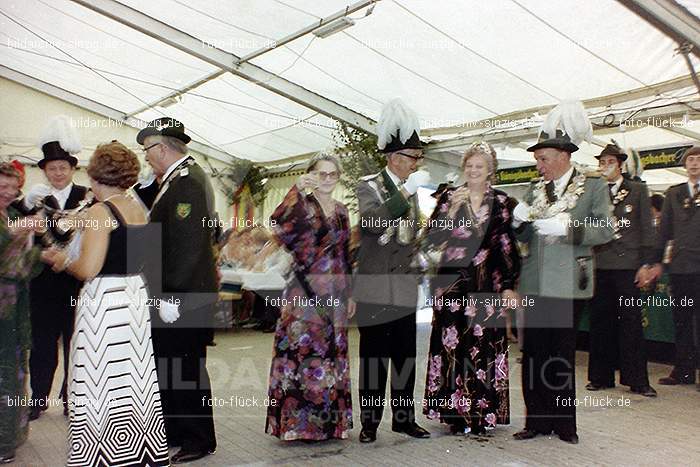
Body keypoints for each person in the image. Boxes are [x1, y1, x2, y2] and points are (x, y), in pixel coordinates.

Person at [41, 142, 169, 466]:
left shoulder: (101, 212)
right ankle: (137, 452)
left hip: (106, 304)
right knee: (131, 380)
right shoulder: (138, 207)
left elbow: (88, 268)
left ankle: (103, 456)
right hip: (134, 299)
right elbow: (148, 259)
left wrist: (61, 261)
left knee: (100, 382)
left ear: (95, 175)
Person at [510, 101, 615, 444]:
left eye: (543, 159)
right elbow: (522, 236)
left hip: (569, 282)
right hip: (537, 281)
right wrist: (519, 222)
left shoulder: (594, 186)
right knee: (534, 353)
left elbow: (605, 230)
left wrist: (568, 229)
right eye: (537, 160)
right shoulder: (533, 189)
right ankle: (536, 421)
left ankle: (564, 424)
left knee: (561, 354)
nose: (538, 165)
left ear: (563, 156)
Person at [422, 143, 520, 435]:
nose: (473, 171)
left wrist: (509, 284)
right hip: (452, 285)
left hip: (486, 282)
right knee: (453, 347)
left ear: (490, 169)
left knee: (483, 346)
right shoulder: (450, 196)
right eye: (469, 166)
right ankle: (453, 413)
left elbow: (506, 245)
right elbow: (431, 238)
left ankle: (481, 412)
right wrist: (450, 212)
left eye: (479, 166)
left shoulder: (502, 201)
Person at [137, 118, 218, 464]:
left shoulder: (187, 183)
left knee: (186, 369)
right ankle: (178, 432)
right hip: (177, 294)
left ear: (162, 148)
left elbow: (186, 248)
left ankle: (198, 439)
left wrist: (170, 297)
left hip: (182, 296)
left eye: (148, 151)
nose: (146, 158)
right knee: (175, 366)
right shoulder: (177, 180)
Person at [354, 99, 431, 443]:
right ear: (395, 157)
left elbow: (411, 234)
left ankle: (403, 419)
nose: (417, 163)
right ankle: (370, 423)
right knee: (373, 358)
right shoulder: (368, 186)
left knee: (404, 356)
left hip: (403, 285)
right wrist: (405, 195)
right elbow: (371, 223)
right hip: (374, 287)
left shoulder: (410, 189)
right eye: (414, 156)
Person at [265, 153, 353, 441]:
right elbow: (277, 221)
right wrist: (296, 189)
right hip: (302, 294)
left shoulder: (341, 211)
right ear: (312, 175)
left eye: (332, 174)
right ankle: (298, 425)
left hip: (335, 296)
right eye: (321, 174)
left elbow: (346, 256)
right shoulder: (301, 204)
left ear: (338, 178)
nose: (327, 179)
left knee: (330, 358)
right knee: (300, 357)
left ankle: (329, 425)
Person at [24, 116, 89, 420]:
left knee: (77, 344)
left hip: (78, 281)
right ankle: (38, 399)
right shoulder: (34, 198)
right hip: (44, 283)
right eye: (52, 168)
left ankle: (70, 398)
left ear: (73, 169)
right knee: (42, 344)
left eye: (63, 167)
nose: (58, 173)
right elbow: (21, 235)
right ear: (45, 170)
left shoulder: (87, 199)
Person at [586, 143, 657, 397]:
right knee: (600, 321)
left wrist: (646, 264)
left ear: (620, 165)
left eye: (610, 162)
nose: (605, 166)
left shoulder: (637, 189)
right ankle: (600, 377)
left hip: (628, 266)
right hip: (601, 264)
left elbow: (647, 229)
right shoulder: (593, 191)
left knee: (631, 322)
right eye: (602, 162)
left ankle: (637, 380)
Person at [0, 163, 42, 464]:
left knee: (14, 370)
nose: (6, 192)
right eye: (1, 186)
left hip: (14, 310)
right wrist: (12, 233)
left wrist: (39, 249)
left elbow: (25, 263)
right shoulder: (13, 221)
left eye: (11, 187)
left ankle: (9, 435)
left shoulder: (15, 215)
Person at [649, 146, 700, 388]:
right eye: (690, 159)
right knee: (681, 321)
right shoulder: (674, 193)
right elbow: (664, 232)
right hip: (680, 269)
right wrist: (656, 262)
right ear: (684, 164)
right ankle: (684, 371)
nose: (694, 163)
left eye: (699, 159)